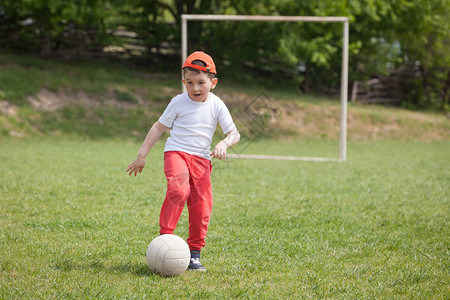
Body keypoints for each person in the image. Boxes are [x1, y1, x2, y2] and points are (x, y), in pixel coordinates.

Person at [126, 51, 240, 271]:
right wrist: (142, 155)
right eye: (189, 83)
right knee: (179, 191)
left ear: (213, 83)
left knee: (202, 207)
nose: (195, 88)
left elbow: (234, 133)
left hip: (202, 161)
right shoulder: (178, 102)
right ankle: (164, 240)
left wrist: (224, 144)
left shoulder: (217, 105)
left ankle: (194, 254)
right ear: (183, 82)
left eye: (201, 83)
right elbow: (159, 127)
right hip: (176, 153)